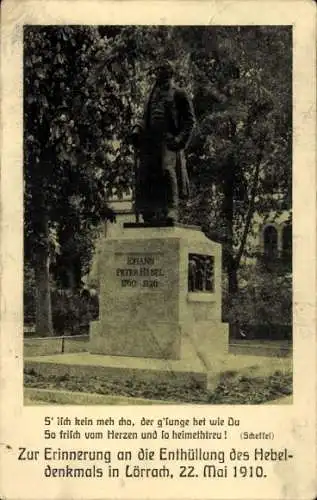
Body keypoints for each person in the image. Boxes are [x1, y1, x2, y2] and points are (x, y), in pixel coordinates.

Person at [131, 61, 195, 223]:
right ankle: (148, 211)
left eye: (160, 70)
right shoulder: (152, 94)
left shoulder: (179, 93)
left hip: (168, 141)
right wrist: (137, 129)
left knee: (167, 171)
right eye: (157, 70)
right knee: (146, 174)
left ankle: (172, 209)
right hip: (150, 141)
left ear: (169, 72)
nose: (157, 73)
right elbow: (145, 116)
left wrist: (179, 139)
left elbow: (189, 121)